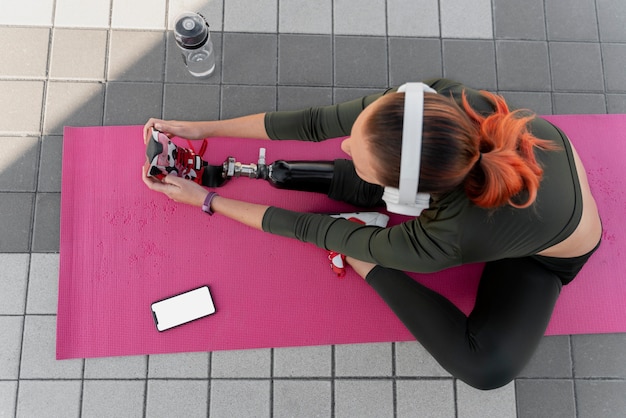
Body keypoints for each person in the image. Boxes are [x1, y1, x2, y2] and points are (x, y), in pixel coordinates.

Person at [142, 78, 602, 390]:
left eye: (353, 153)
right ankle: (360, 195)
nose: (343, 144)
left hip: (545, 257)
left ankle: (366, 246)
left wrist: (207, 201)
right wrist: (198, 128)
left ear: (412, 200)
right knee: (370, 170)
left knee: (486, 368)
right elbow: (312, 123)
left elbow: (311, 229)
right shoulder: (432, 107)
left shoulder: (446, 237)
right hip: (514, 188)